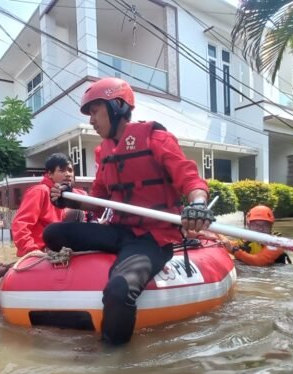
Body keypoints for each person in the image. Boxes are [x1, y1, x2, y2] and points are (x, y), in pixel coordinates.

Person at [43, 77, 214, 345]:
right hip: (119, 232)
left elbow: (191, 180)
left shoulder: (157, 138)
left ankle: (113, 360)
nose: (91, 120)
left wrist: (198, 204)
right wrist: (69, 200)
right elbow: (98, 200)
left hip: (152, 239)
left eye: (95, 111)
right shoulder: (105, 151)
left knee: (119, 290)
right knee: (53, 232)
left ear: (117, 106)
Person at [11, 153, 88, 257]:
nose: (68, 174)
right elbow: (20, 224)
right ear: (50, 174)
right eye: (62, 170)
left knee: (77, 213)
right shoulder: (39, 192)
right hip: (43, 252)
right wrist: (31, 250)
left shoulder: (80, 195)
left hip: (71, 251)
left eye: (70, 170)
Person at [221, 205, 291, 266]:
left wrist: (234, 250)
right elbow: (229, 244)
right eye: (256, 225)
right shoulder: (246, 240)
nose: (260, 228)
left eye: (265, 225)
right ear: (249, 225)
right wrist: (217, 236)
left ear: (271, 226)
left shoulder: (276, 243)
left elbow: (259, 262)